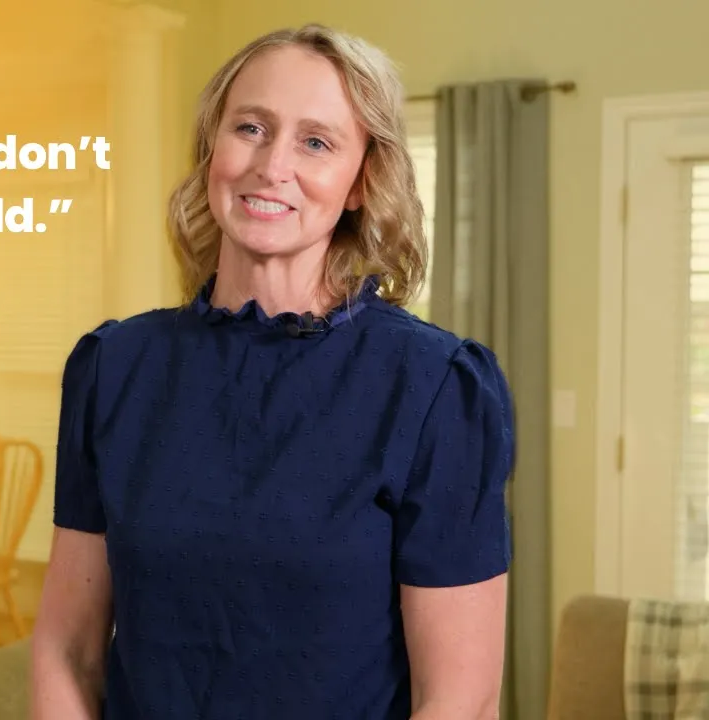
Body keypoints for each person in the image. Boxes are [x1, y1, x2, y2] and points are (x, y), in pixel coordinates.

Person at [28, 23, 514, 720]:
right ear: (211, 147)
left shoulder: (436, 387)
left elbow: (459, 699)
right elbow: (67, 648)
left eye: (316, 142)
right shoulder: (115, 368)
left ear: (360, 182)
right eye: (250, 128)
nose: (271, 165)